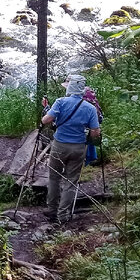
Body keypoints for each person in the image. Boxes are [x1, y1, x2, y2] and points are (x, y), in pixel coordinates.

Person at [40, 74, 101, 223]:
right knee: (71, 181)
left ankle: (52, 210)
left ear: (70, 88)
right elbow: (95, 132)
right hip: (79, 147)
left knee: (54, 178)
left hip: (59, 145)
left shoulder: (60, 102)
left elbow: (46, 120)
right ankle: (63, 215)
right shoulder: (90, 108)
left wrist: (46, 110)